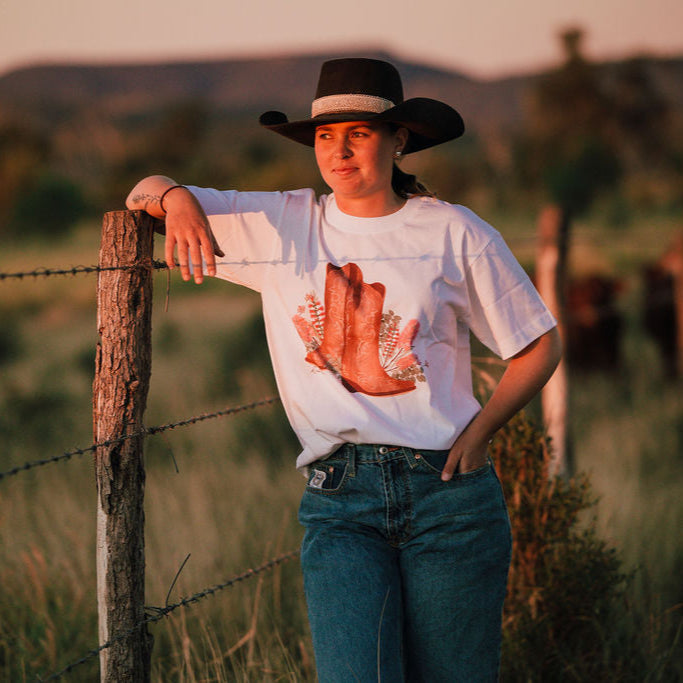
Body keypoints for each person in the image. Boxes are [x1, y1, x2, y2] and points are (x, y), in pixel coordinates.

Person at [127, 57, 561, 682]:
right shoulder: (281, 225)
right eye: (326, 136)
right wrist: (176, 198)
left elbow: (537, 346)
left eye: (359, 132)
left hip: (447, 494)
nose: (339, 151)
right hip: (340, 501)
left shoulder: (454, 232)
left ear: (399, 139)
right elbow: (140, 191)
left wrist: (480, 432)